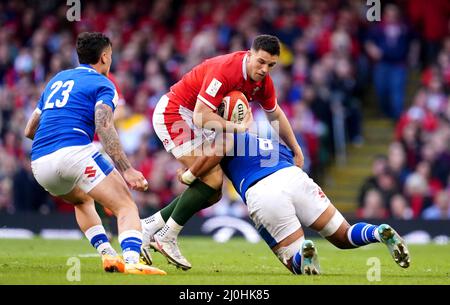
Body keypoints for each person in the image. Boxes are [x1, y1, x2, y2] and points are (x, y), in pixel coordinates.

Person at [143, 34, 305, 270]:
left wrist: (296, 148)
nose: (264, 69)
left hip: (203, 122)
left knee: (213, 193)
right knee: (212, 179)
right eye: (260, 62)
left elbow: (275, 114)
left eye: (271, 65)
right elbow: (199, 114)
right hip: (176, 114)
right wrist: (236, 127)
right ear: (249, 54)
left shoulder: (263, 81)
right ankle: (166, 236)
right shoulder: (226, 69)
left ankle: (149, 226)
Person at [144, 132, 411, 274]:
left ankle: (301, 253)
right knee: (342, 235)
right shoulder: (265, 139)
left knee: (292, 262)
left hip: (263, 190)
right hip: (294, 177)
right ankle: (378, 232)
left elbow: (209, 175)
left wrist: (186, 174)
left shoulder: (223, 137)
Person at [24, 32, 165, 275]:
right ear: (104, 57)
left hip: (39, 161)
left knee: (82, 200)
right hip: (74, 152)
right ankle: (131, 260)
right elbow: (104, 125)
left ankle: (108, 255)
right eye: (110, 56)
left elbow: (29, 130)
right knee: (126, 206)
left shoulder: (57, 80)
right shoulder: (103, 84)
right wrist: (127, 169)